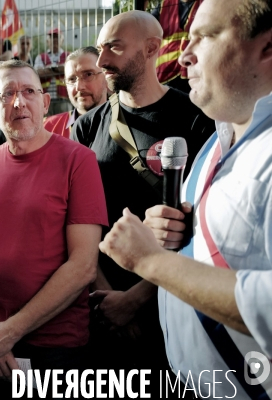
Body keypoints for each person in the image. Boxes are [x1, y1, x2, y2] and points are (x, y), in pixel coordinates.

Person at [100, 0, 272, 397]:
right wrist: (174, 237)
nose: (183, 57)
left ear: (267, 46)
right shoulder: (216, 142)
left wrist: (151, 261)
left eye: (206, 36)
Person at [71, 9, 214, 390]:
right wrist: (107, 298)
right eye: (101, 50)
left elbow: (206, 229)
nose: (102, 62)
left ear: (152, 48)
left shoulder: (197, 119)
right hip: (101, 308)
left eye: (114, 48)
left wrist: (136, 299)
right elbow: (78, 224)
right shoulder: (86, 127)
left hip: (174, 306)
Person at [0, 60, 108, 398]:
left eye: (28, 91)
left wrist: (9, 332)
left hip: (57, 350)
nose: (18, 102)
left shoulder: (78, 161)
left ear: (44, 101)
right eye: (7, 94)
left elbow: (83, 265)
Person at [44, 46, 108, 138]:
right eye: (72, 79)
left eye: (88, 75)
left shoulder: (126, 126)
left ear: (106, 76)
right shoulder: (48, 129)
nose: (79, 87)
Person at [151, 0, 203, 93]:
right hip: (165, 76)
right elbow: (144, 28)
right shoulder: (164, 4)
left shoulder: (209, 3)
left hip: (196, 74)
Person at [34, 29, 70, 115]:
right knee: (46, 125)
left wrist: (48, 70)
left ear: (62, 40)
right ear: (47, 41)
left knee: (64, 125)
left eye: (57, 38)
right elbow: (38, 73)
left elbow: (70, 69)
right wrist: (59, 69)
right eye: (52, 38)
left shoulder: (68, 55)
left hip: (63, 98)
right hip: (45, 100)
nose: (54, 40)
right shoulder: (40, 57)